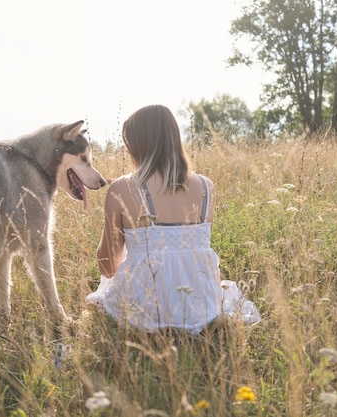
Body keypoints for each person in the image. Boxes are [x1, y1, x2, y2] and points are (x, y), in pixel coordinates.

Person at [86, 104, 260, 333]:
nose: (127, 151)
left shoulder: (121, 188)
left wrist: (115, 206)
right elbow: (185, 253)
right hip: (202, 309)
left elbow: (108, 267)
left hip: (143, 311)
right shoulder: (207, 187)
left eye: (128, 144)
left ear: (138, 146)